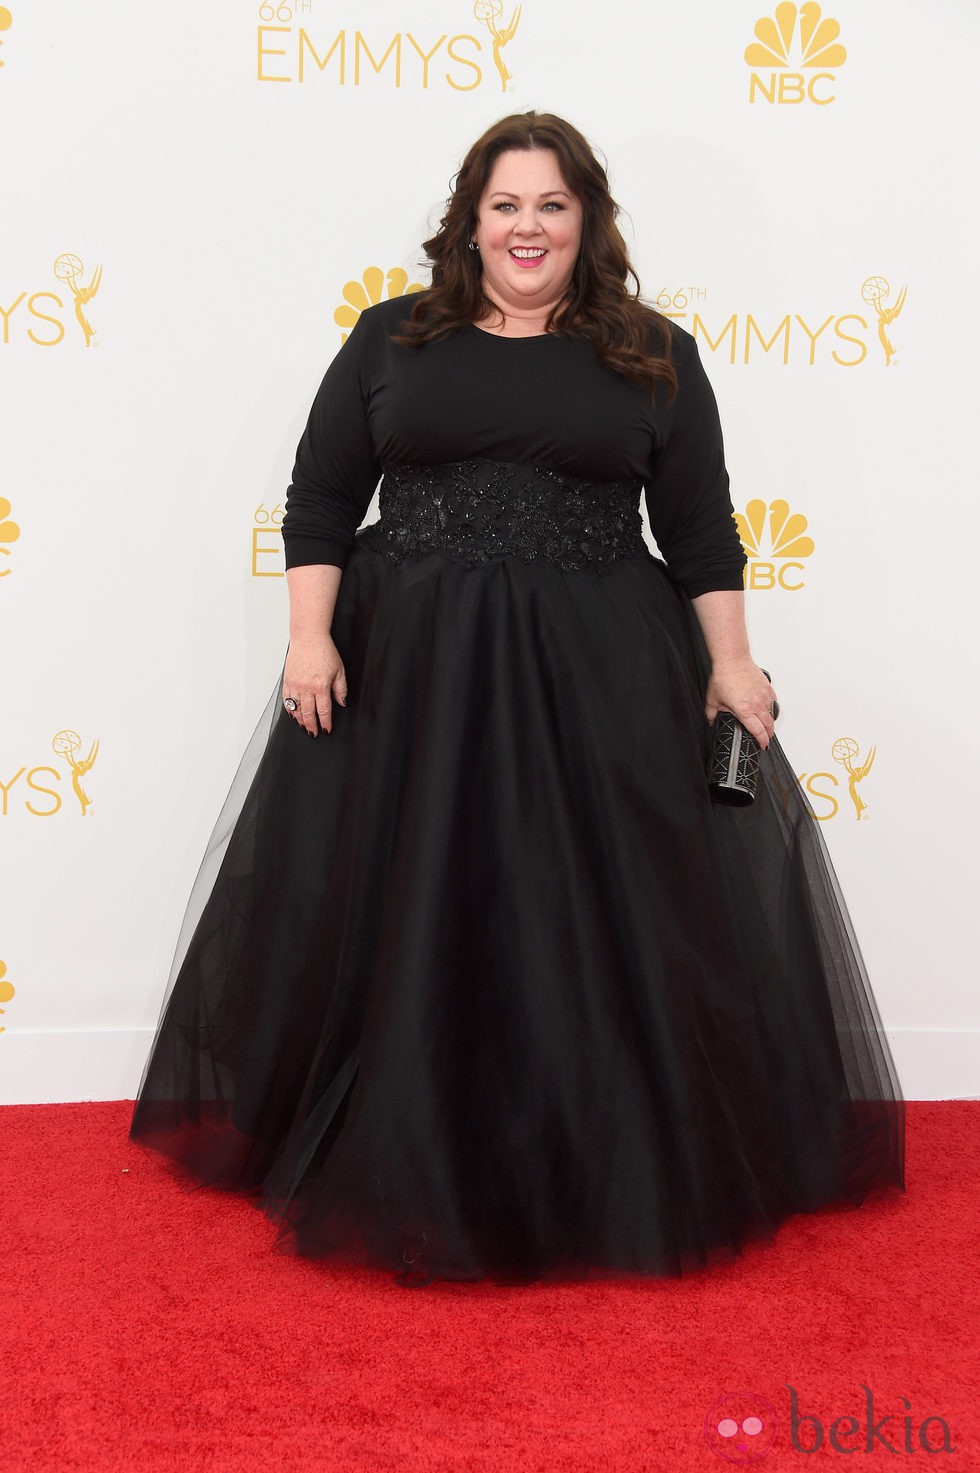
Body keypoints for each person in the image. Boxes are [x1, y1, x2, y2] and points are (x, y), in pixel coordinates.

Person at [129, 111, 905, 1287]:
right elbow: (320, 495)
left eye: (550, 204)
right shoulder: (392, 337)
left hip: (595, 671)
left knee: (582, 917)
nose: (526, 227)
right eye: (505, 205)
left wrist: (730, 664)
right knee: (414, 904)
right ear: (469, 220)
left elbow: (698, 527)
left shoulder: (652, 351)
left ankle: (591, 1157)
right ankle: (401, 1145)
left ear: (583, 218)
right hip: (410, 673)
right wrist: (306, 640)